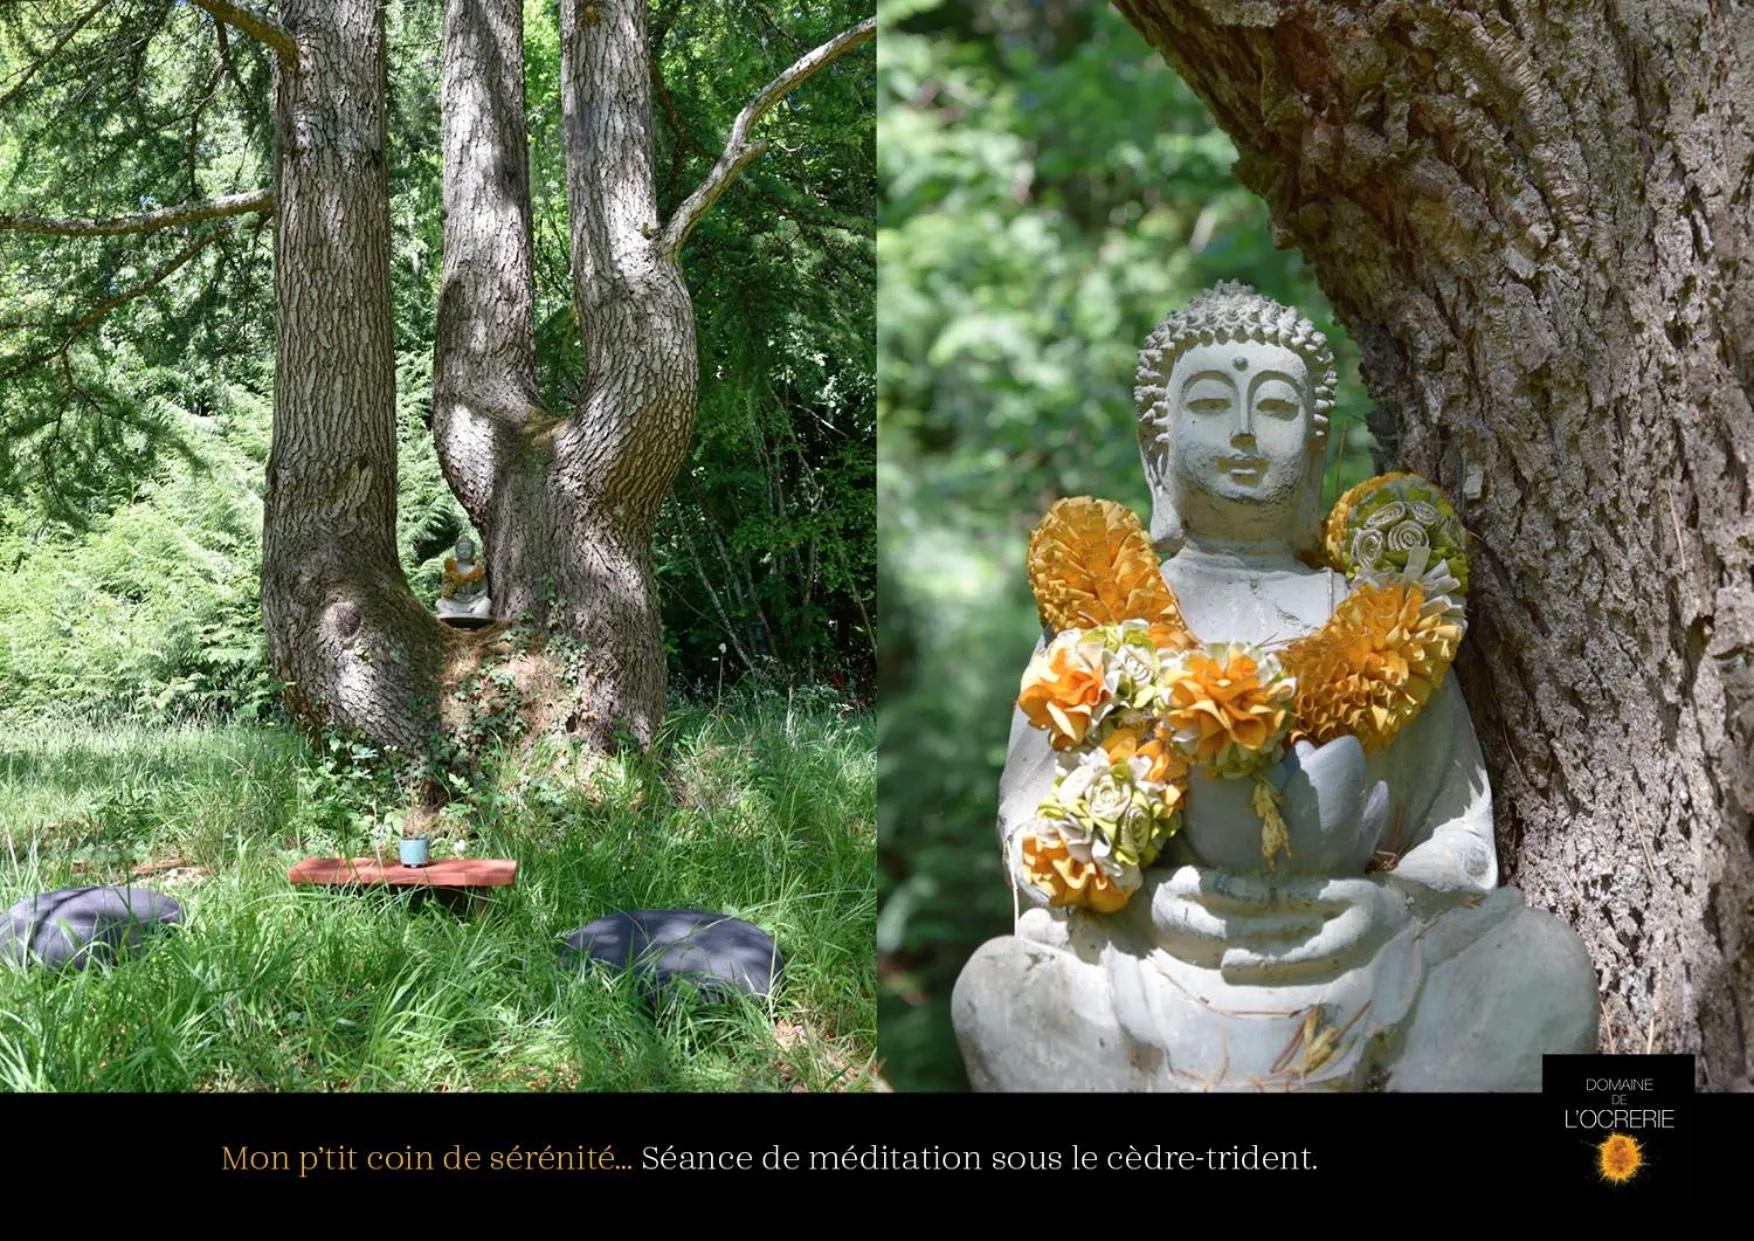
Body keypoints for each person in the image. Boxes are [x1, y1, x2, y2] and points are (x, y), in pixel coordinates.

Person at [951, 283, 1598, 1091]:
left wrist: (1385, 906)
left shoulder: (1378, 614)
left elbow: (1461, 840)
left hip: (1359, 948)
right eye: (1213, 404)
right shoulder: (1101, 619)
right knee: (998, 984)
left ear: (1318, 446)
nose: (1247, 433)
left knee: (1543, 961)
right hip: (1156, 952)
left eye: (1278, 406)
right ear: (1159, 446)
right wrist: (1146, 899)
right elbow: (1029, 818)